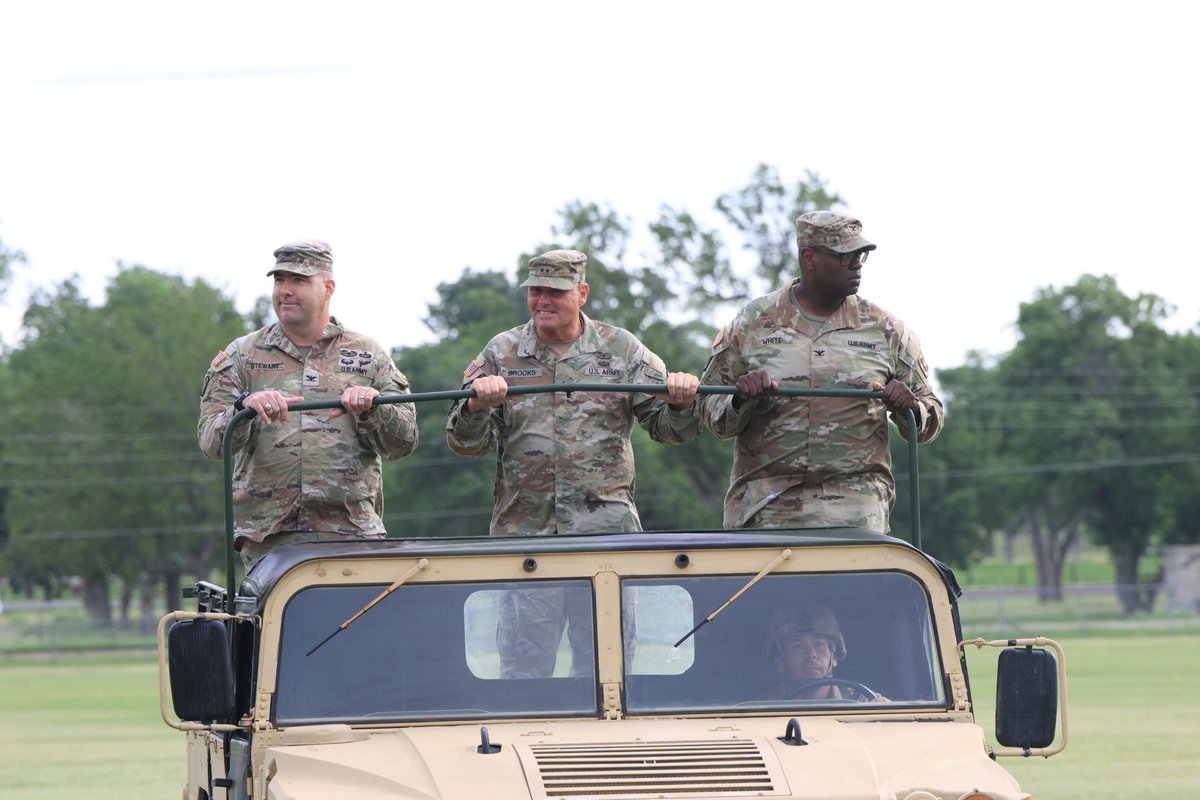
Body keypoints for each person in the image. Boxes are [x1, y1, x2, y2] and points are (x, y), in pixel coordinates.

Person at [445, 248, 701, 677]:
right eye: (535, 291)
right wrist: (474, 409)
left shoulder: (621, 350)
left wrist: (680, 403)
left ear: (581, 293)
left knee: (607, 671)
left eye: (555, 292)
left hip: (605, 541)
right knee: (524, 672)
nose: (542, 300)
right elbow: (463, 443)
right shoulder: (501, 352)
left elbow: (669, 431)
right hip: (526, 539)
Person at [700, 210, 944, 532]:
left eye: (861, 255)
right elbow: (708, 409)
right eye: (846, 256)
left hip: (855, 514)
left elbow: (930, 418)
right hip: (765, 512)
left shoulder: (886, 330)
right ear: (809, 258)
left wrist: (908, 408)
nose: (857, 264)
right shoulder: (753, 323)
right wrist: (740, 400)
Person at [198, 239, 419, 569]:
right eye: (279, 280)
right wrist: (244, 408)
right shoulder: (242, 355)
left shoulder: (368, 354)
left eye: (298, 280)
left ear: (328, 287)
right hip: (270, 541)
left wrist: (375, 410)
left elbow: (404, 442)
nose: (285, 290)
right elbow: (210, 442)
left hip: (352, 536)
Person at [765, 605, 881, 701]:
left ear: (834, 656)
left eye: (819, 644)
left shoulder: (863, 703)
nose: (811, 654)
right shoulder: (761, 711)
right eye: (797, 646)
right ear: (780, 660)